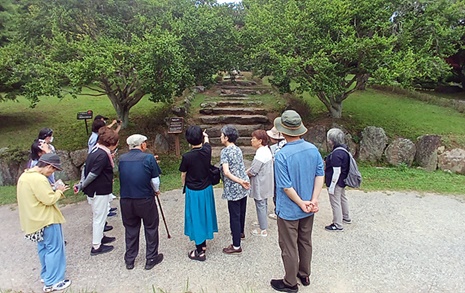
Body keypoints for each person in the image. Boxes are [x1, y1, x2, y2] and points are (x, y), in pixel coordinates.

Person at [270, 110, 324, 292]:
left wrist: (300, 202)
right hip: (309, 206)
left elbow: (285, 186)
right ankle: (304, 273)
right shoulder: (313, 149)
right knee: (305, 240)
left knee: (289, 245)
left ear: (283, 131)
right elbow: (319, 174)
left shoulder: (282, 155)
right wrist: (313, 200)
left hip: (289, 209)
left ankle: (290, 282)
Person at [17, 153, 72, 292]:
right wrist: (59, 191)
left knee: (43, 249)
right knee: (54, 249)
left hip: (33, 220)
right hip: (46, 219)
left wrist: (52, 189)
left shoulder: (25, 176)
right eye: (53, 170)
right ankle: (53, 282)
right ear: (48, 166)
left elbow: (36, 196)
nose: (52, 173)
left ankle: (46, 275)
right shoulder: (39, 179)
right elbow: (49, 200)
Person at [118, 134, 164, 270]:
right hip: (144, 198)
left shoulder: (122, 159)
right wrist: (156, 190)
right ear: (142, 145)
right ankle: (151, 258)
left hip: (126, 199)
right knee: (151, 227)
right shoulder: (149, 158)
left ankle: (130, 259)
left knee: (131, 228)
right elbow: (155, 180)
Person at [75, 127, 118, 256]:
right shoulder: (102, 155)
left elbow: (85, 168)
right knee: (99, 217)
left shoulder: (96, 150)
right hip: (99, 190)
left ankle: (100, 237)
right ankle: (96, 246)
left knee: (101, 214)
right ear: (111, 143)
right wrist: (82, 185)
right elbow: (93, 174)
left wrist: (81, 183)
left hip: (97, 189)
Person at [179, 126, 218, 261]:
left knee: (196, 217)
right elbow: (207, 143)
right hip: (206, 189)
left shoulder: (187, 156)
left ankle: (200, 250)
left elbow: (183, 174)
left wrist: (183, 185)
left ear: (188, 140)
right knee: (205, 215)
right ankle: (204, 243)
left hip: (194, 190)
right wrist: (205, 135)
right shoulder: (207, 151)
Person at [219, 125, 250, 254]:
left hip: (234, 186)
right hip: (243, 185)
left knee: (234, 216)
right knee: (241, 211)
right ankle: (240, 232)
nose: (220, 137)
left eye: (222, 135)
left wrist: (238, 181)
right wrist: (243, 181)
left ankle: (236, 245)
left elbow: (226, 172)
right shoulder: (238, 149)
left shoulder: (225, 151)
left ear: (226, 137)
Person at [246, 129, 273, 237]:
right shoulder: (266, 150)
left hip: (260, 182)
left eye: (253, 138)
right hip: (265, 181)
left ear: (260, 140)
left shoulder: (261, 153)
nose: (251, 140)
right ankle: (263, 222)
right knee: (264, 203)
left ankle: (263, 229)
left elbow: (253, 170)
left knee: (260, 204)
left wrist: (244, 174)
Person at [324, 128, 352, 232]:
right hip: (343, 180)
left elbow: (336, 172)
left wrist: (331, 186)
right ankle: (346, 216)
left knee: (335, 202)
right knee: (342, 198)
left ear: (331, 140)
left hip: (336, 181)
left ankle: (338, 224)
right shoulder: (344, 149)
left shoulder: (336, 154)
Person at [266, 127, 286, 221]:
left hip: (278, 174)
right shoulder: (285, 144)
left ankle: (278, 211)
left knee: (277, 191)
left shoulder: (279, 148)